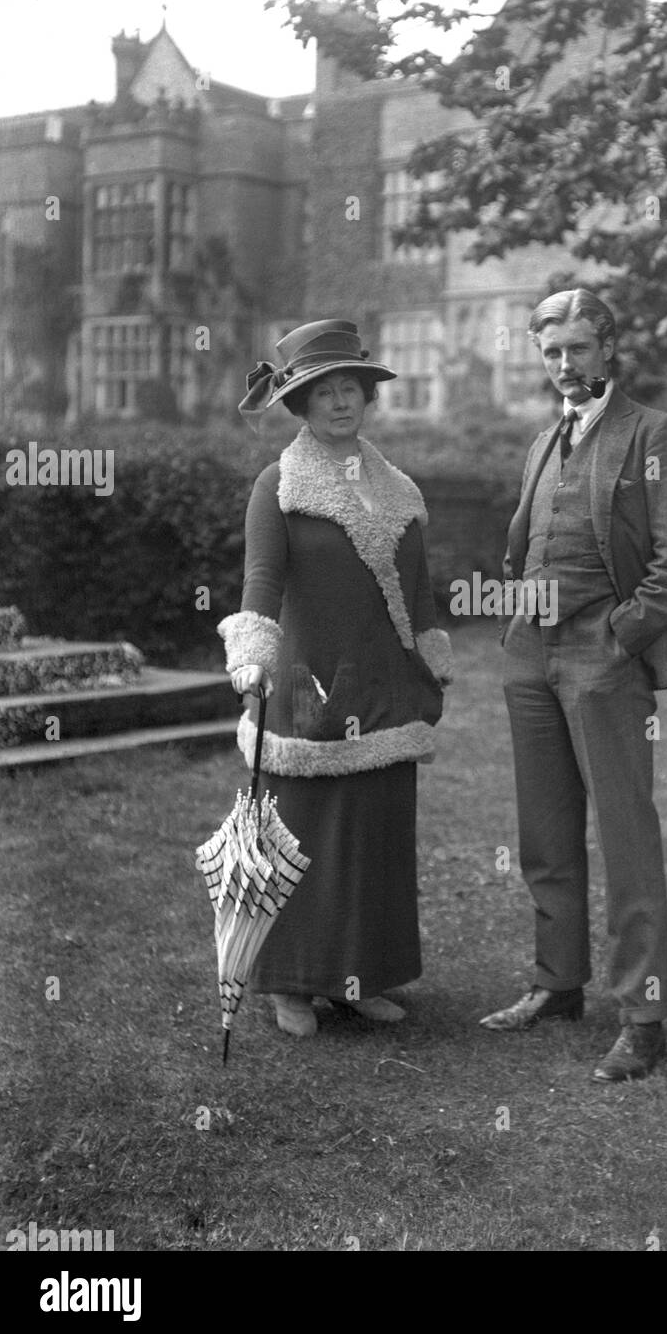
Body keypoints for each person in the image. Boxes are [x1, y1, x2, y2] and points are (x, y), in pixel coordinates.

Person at [481, 290, 667, 1081]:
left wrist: (623, 633)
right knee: (544, 833)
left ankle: (643, 1018)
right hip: (530, 655)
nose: (565, 365)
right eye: (551, 352)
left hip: (603, 660)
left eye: (578, 348)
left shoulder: (655, 434)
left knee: (625, 835)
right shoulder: (545, 440)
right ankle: (557, 984)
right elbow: (526, 545)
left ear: (609, 349)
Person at [218, 319, 452, 1038]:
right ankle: (289, 983)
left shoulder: (402, 491)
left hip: (384, 687)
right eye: (324, 392)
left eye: (350, 388)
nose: (340, 403)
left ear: (366, 396)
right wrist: (251, 655)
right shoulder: (278, 485)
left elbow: (417, 593)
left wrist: (431, 662)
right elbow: (261, 581)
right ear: (300, 404)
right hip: (307, 690)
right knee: (303, 833)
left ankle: (360, 977)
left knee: (374, 831)